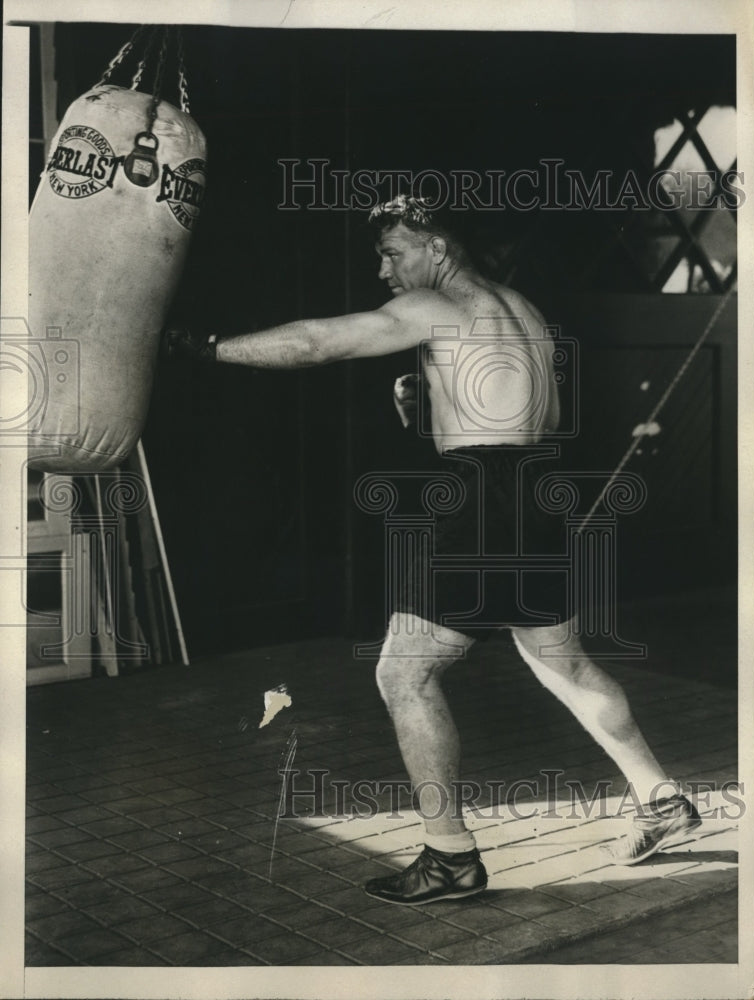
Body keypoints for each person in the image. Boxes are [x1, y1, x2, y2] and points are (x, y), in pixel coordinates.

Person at [166, 194, 701, 905]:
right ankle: (659, 796)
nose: (384, 271)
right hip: (539, 491)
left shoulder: (438, 305)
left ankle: (449, 855)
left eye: (394, 253)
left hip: (489, 500)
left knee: (403, 675)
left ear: (438, 249)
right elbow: (527, 417)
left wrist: (204, 349)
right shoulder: (522, 309)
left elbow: (321, 341)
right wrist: (432, 404)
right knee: (562, 662)